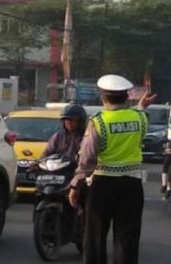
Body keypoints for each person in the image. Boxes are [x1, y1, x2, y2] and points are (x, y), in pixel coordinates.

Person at [68, 74, 156, 264]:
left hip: (103, 185)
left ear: (103, 98)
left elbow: (87, 158)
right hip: (131, 185)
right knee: (127, 239)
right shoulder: (140, 118)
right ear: (126, 97)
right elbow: (139, 115)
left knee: (95, 237)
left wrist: (76, 184)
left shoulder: (98, 121)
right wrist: (141, 106)